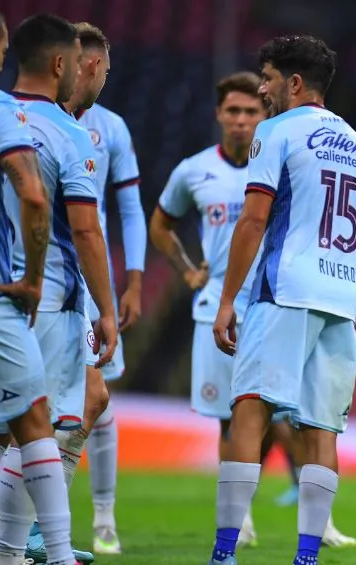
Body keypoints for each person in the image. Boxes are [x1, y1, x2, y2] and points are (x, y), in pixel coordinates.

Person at [208, 34, 356, 565]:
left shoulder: (275, 130)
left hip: (284, 291)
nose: (263, 88)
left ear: (294, 82)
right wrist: (351, 301)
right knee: (322, 429)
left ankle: (224, 552)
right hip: (339, 300)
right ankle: (307, 556)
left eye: (268, 77)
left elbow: (255, 218)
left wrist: (227, 299)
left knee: (250, 410)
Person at [0, 13, 119, 565]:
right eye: (75, 62)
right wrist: (109, 312)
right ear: (58, 64)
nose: (81, 73)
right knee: (34, 426)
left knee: (17, 427)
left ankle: (20, 549)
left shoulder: (2, 114)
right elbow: (87, 230)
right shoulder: (67, 132)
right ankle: (29, 549)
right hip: (40, 294)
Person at [151, 70, 267, 551]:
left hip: (269, 301)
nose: (241, 121)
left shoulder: (278, 166)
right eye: (234, 111)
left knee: (282, 417)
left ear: (265, 116)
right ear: (220, 114)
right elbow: (162, 224)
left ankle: (313, 519)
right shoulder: (194, 169)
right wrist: (185, 269)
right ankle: (240, 517)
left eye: (251, 112)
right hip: (217, 305)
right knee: (228, 417)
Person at [57, 21, 144, 556]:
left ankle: (100, 519)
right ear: (86, 64)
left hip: (88, 281)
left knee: (94, 399)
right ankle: (34, 525)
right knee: (72, 402)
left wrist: (131, 280)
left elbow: (129, 207)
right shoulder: (44, 124)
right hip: (56, 282)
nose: (106, 80)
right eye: (105, 70)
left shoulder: (109, 128)